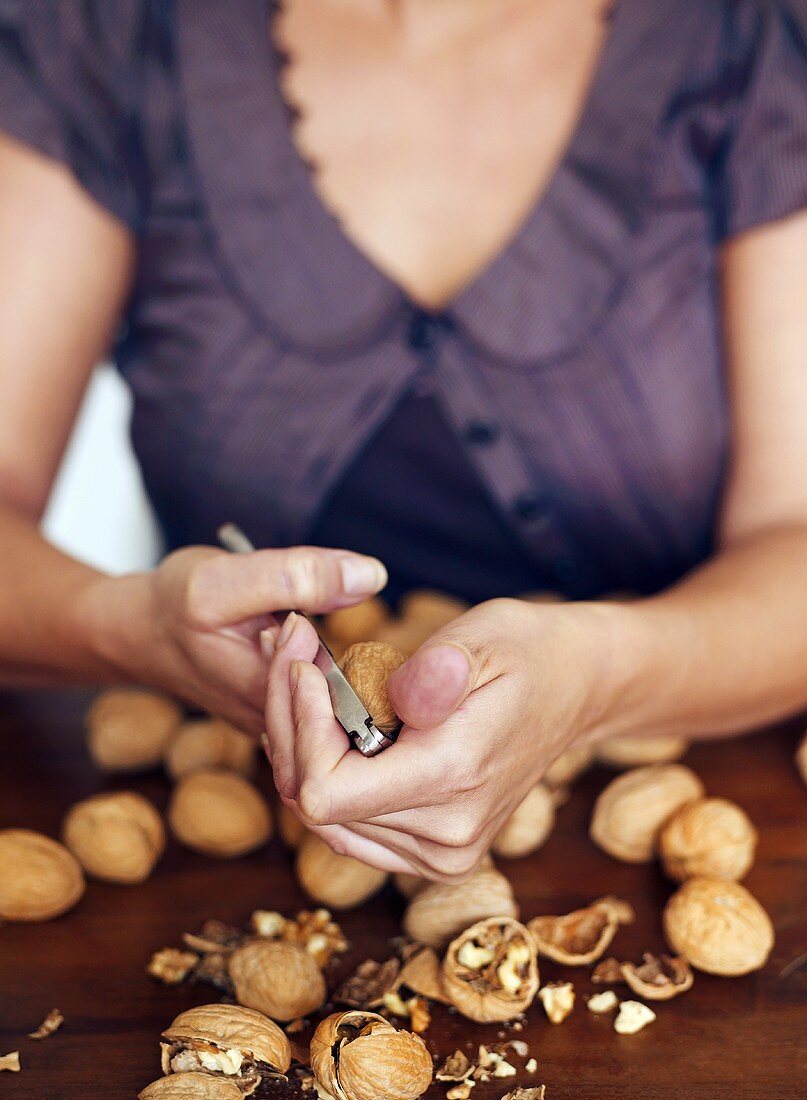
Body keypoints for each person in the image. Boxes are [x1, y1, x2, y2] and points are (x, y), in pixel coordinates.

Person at [1, 0, 806, 881]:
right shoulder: (103, 30)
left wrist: (598, 676)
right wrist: (134, 625)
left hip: (679, 841)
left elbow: (793, 535)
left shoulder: (753, 32)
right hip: (229, 846)